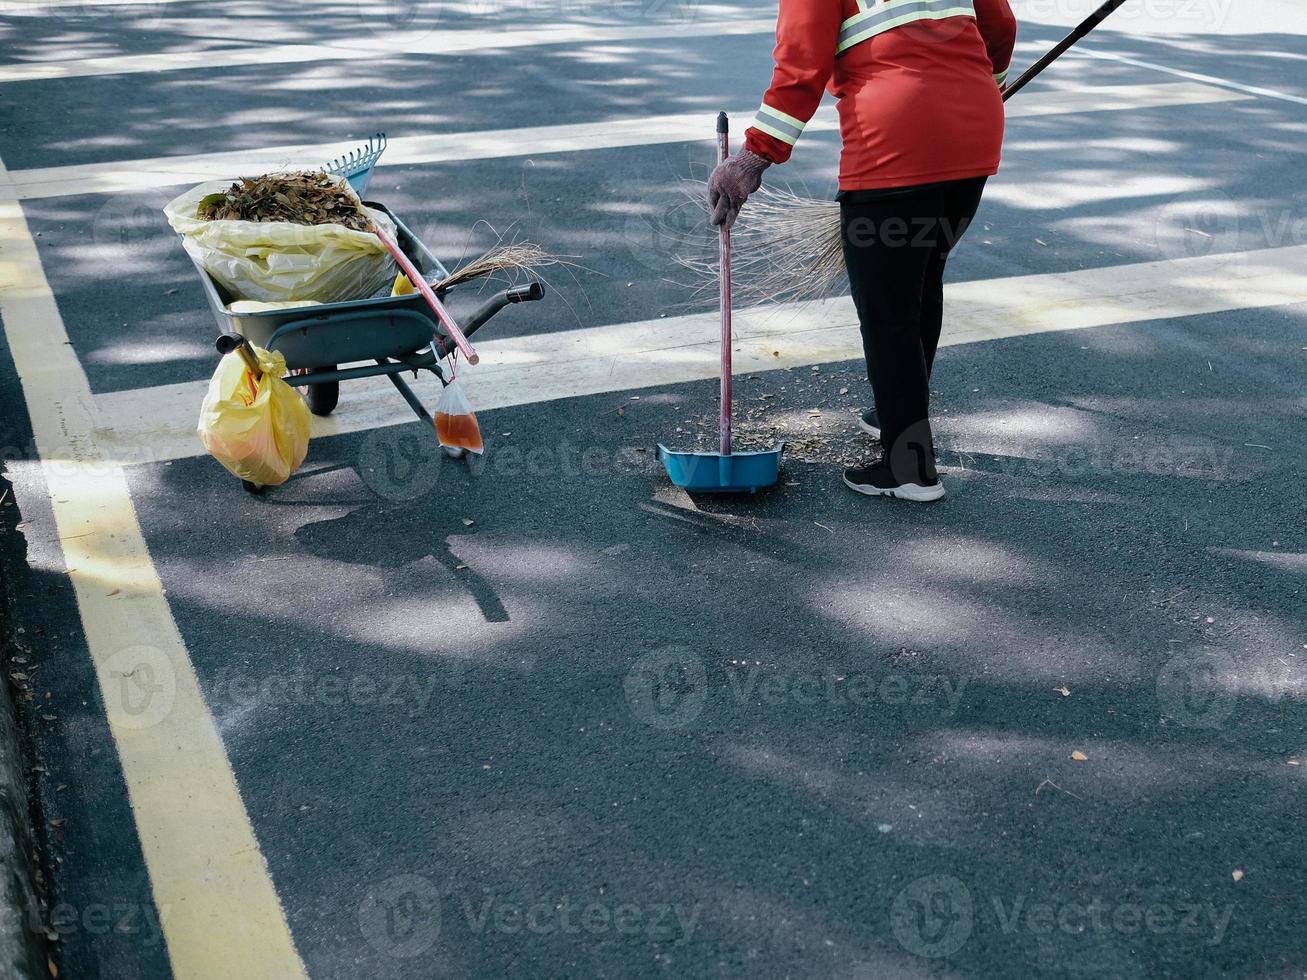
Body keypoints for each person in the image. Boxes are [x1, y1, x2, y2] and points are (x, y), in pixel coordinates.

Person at [708, 0, 1017, 502]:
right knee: (920, 278)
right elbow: (999, 26)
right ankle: (897, 415)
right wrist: (987, 84)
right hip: (973, 136)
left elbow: (800, 66)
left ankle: (909, 468)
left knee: (888, 307)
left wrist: (751, 159)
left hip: (896, 143)